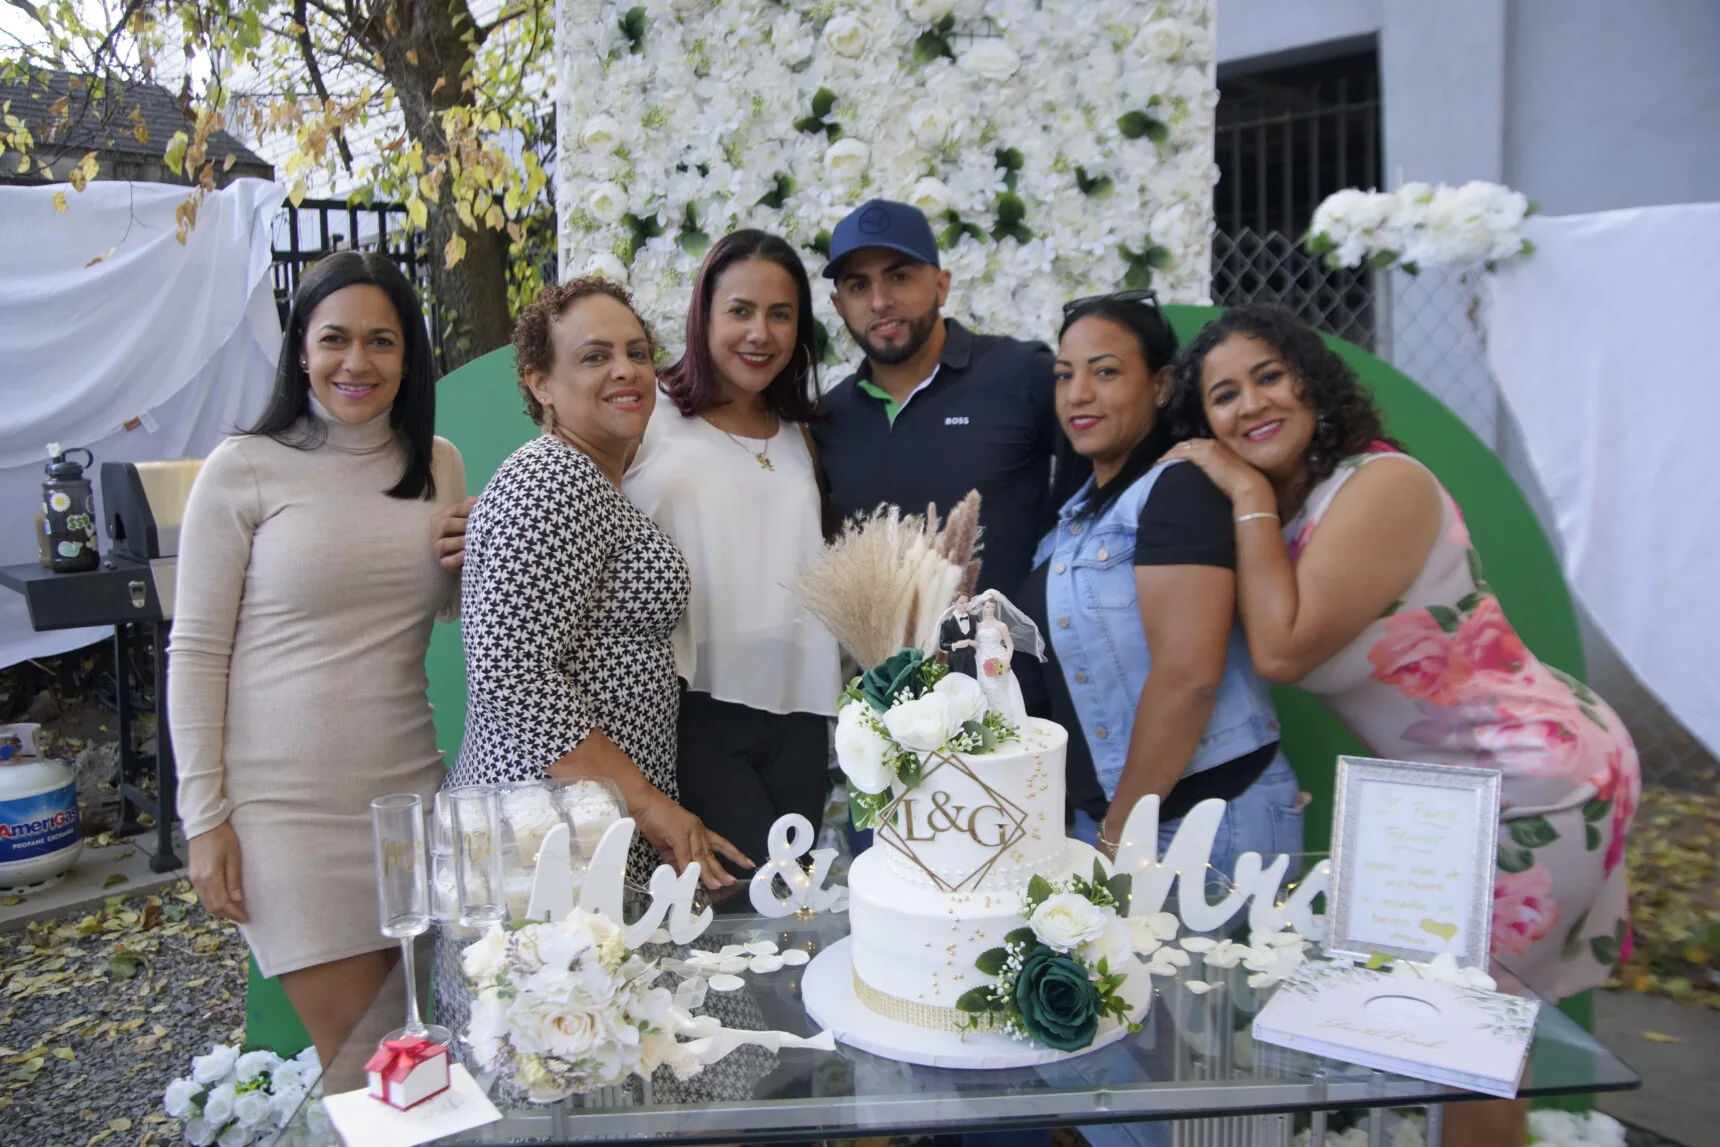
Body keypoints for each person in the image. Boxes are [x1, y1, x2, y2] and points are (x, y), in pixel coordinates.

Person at [1169, 304, 1641, 1147]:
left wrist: (1237, 484)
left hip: (1535, 774)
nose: (1249, 406)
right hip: (1442, 807)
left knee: (1467, 1038)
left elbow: (1280, 648)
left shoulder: (1381, 483)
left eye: (1268, 377)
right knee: (1460, 1039)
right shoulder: (1287, 516)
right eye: (1224, 395)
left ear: (1311, 382)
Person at [170, 251, 469, 1068]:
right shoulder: (243, 468)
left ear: (409, 354)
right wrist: (206, 819)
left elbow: (440, 610)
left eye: (382, 340)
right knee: (364, 1061)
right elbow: (194, 651)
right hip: (287, 817)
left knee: (424, 1053)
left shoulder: (437, 462)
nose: (356, 362)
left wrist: (469, 558)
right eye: (334, 338)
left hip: (409, 801)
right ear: (300, 346)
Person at [449, 276, 753, 890]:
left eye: (636, 352)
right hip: (543, 832)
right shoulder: (550, 477)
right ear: (541, 383)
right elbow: (510, 670)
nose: (625, 370)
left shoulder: (596, 483)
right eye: (595, 356)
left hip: (590, 827)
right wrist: (645, 802)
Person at [1024, 292, 1304, 876]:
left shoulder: (1178, 489)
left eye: (1105, 372)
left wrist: (1117, 835)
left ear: (1160, 385)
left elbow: (1189, 680)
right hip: (1110, 823)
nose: (1078, 394)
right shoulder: (1074, 516)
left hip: (1200, 828)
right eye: (1064, 375)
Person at [623, 230, 841, 893]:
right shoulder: (648, 412)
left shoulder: (801, 429)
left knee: (790, 912)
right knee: (746, 903)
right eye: (740, 310)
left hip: (801, 709)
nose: (760, 332)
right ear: (704, 315)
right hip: (698, 707)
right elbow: (563, 492)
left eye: (781, 314)